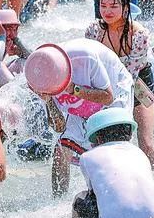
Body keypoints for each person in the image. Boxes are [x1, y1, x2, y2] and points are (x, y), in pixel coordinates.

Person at [27, 38, 134, 196]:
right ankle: (58, 201)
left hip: (113, 91)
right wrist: (49, 100)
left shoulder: (85, 58)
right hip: (80, 104)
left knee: (113, 150)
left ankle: (124, 193)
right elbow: (59, 126)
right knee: (61, 151)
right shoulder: (40, 72)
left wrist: (74, 90)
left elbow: (107, 97)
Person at [86, 0, 154, 167]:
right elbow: (88, 65)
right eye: (103, 6)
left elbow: (130, 75)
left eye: (113, 6)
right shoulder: (94, 31)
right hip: (105, 87)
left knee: (146, 142)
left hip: (140, 84)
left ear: (126, 8)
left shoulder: (139, 34)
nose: (107, 11)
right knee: (102, 142)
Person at [72, 108, 154, 218]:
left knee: (79, 197)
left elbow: (92, 193)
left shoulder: (88, 157)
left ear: (97, 137)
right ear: (130, 133)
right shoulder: (139, 153)